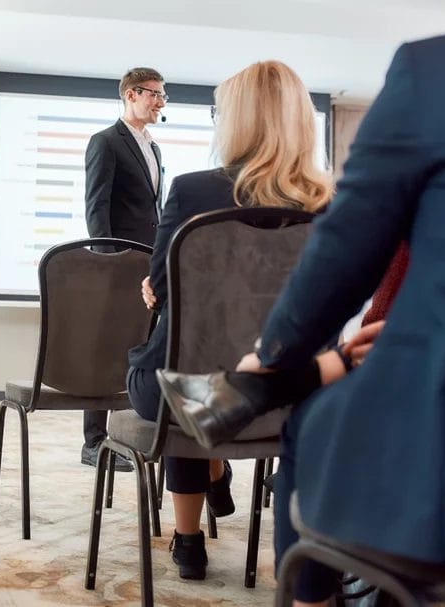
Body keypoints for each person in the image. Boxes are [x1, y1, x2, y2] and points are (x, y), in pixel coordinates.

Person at [157, 35, 445, 607]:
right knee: (309, 396)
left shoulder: (430, 70)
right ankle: (250, 395)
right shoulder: (323, 199)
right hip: (332, 359)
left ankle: (292, 585)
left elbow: (342, 261)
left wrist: (266, 358)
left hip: (188, 380)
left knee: (306, 423)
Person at [128, 60, 333, 580]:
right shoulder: (330, 202)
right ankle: (226, 486)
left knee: (186, 362)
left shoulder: (194, 191)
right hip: (292, 394)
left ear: (236, 120)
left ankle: (190, 540)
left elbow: (165, 289)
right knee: (205, 361)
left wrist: (157, 291)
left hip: (190, 389)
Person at [82, 67, 167, 471]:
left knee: (143, 343)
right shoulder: (105, 142)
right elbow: (96, 207)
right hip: (118, 263)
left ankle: (136, 430)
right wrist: (108, 261)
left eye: (162, 96)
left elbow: (154, 211)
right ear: (132, 94)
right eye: (155, 94)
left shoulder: (153, 146)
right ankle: (94, 442)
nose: (160, 102)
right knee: (109, 347)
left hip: (150, 262)